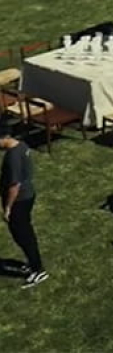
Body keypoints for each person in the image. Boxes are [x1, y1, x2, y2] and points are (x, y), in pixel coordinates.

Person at [0, 119, 48, 288]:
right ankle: (33, 262)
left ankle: (38, 269)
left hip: (19, 201)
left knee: (22, 235)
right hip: (28, 196)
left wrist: (7, 208)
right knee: (25, 232)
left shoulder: (12, 157)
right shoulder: (22, 146)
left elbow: (14, 186)